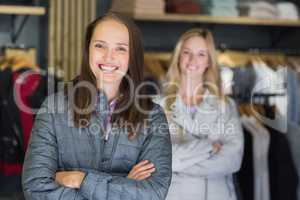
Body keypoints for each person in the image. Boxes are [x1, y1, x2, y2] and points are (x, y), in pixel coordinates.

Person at [22, 12, 172, 200]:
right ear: (88, 49)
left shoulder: (152, 115)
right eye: (100, 45)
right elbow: (36, 188)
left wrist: (81, 179)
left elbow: (154, 192)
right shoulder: (53, 108)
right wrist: (124, 182)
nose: (109, 57)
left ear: (132, 56)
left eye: (121, 48)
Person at [154, 28, 244, 200]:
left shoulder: (226, 106)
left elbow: (232, 160)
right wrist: (210, 148)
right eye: (187, 52)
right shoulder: (157, 105)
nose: (192, 60)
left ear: (209, 61)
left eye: (201, 54)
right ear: (178, 57)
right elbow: (154, 159)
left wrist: (175, 164)